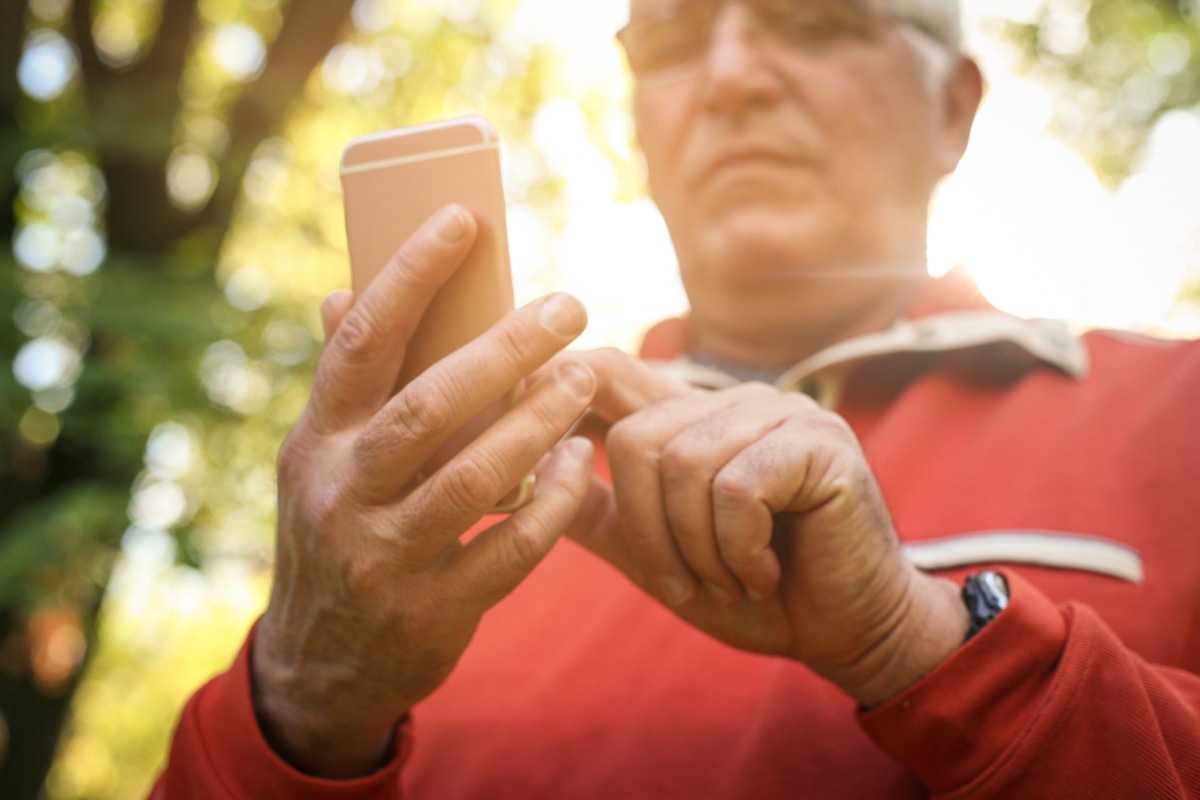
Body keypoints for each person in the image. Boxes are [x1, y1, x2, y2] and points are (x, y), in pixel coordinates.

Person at [152, 0, 1200, 796]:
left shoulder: (1180, 410)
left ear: (954, 110)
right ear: (638, 122)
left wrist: (921, 642)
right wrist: (296, 700)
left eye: (811, 22)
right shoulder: (422, 507)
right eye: (677, 41)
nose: (733, 74)